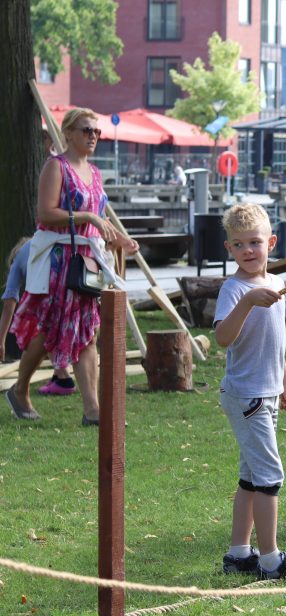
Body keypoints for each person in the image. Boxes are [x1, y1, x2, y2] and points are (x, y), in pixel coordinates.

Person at [6, 108, 138, 425]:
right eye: (86, 130)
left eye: (97, 131)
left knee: (86, 333)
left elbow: (97, 220)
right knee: (50, 330)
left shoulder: (94, 173)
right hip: (57, 260)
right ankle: (20, 388)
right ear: (67, 132)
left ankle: (92, 410)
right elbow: (46, 214)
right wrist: (87, 217)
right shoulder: (56, 167)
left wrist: (117, 238)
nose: (93, 136)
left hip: (86, 260)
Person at [214, 203, 286, 580]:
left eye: (255, 242)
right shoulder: (234, 289)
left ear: (271, 243)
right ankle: (271, 559)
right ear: (229, 249)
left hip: (268, 393)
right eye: (239, 244)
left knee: (251, 476)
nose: (248, 250)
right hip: (246, 397)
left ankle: (239, 553)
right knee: (270, 476)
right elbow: (223, 339)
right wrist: (245, 303)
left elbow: (277, 344)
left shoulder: (276, 285)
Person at [2, 237, 75, 394]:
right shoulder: (47, 241)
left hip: (49, 295)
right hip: (70, 287)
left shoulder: (20, 256)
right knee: (52, 329)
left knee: (42, 331)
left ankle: (63, 377)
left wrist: (1, 340)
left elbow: (9, 302)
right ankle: (58, 377)